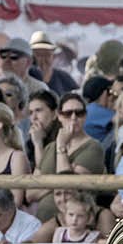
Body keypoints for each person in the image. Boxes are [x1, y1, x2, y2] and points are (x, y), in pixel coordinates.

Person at [36, 92, 106, 223]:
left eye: (79, 113)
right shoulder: (50, 147)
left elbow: (67, 184)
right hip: (43, 218)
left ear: (85, 116)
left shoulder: (94, 147)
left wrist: (61, 147)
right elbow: (30, 193)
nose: (73, 118)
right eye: (68, 113)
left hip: (76, 222)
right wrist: (55, 184)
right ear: (59, 116)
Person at [29, 31, 77, 95]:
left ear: (53, 56)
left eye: (47, 55)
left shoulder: (63, 77)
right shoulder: (26, 76)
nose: (44, 59)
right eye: (39, 55)